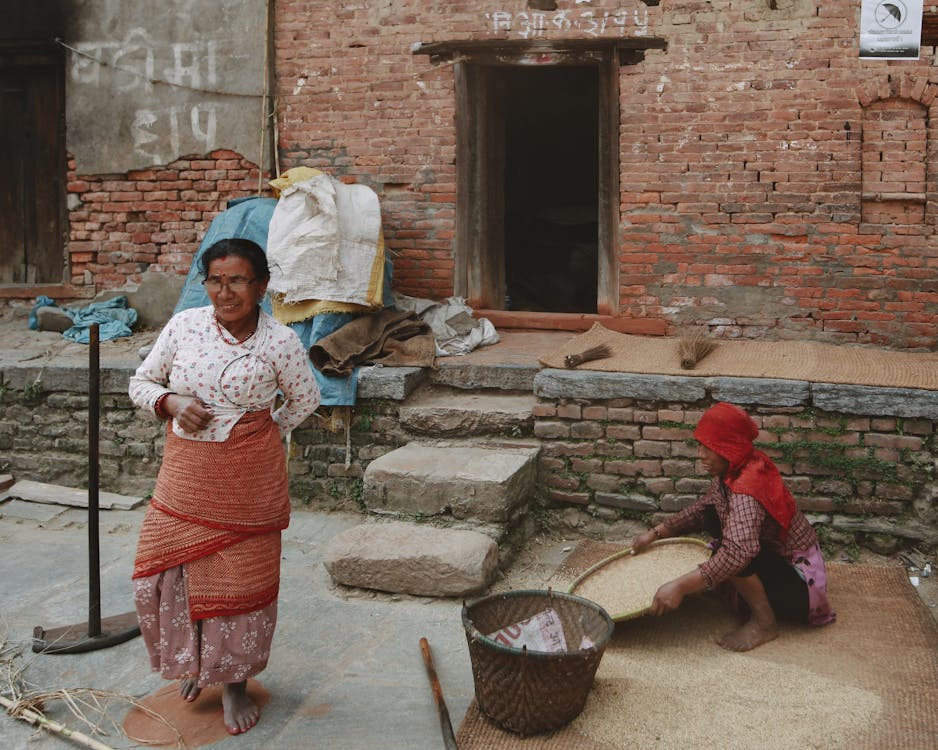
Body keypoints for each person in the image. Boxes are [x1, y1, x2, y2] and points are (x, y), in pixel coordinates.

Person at [128, 238, 320, 734]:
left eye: (237, 280)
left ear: (261, 286)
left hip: (249, 478)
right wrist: (169, 403)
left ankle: (234, 682)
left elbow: (305, 399)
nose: (225, 291)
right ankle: (195, 661)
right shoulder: (185, 325)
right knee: (168, 570)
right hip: (186, 473)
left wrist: (263, 429)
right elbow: (141, 382)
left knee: (241, 581)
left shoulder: (280, 341)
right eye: (215, 280)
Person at [631, 401, 836, 652]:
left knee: (730, 553)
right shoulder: (734, 470)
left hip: (800, 585)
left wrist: (680, 586)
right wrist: (656, 533)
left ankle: (765, 622)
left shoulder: (747, 488)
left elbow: (738, 553)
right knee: (714, 519)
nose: (701, 454)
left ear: (728, 448)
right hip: (774, 560)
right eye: (701, 446)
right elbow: (702, 510)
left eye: (709, 448)